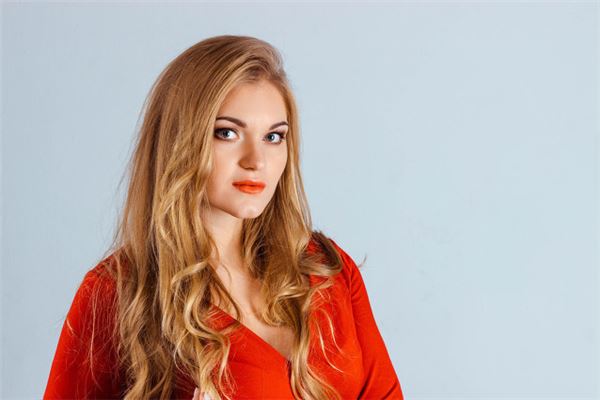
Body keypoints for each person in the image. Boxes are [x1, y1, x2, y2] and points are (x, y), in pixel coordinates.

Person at [43, 35, 404, 400]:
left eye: (273, 137)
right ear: (179, 140)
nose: (256, 161)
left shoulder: (328, 269)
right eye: (227, 133)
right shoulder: (117, 293)